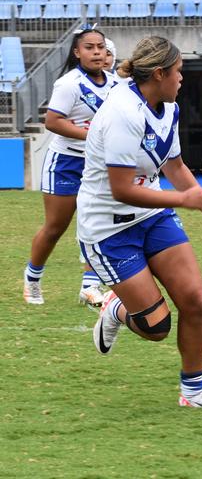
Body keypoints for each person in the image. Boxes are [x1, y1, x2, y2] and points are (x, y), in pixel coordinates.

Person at [79, 36, 202, 410]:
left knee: (196, 301)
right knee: (156, 328)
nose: (182, 79)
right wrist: (182, 200)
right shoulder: (123, 111)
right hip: (109, 229)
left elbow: (175, 166)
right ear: (159, 73)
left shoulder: (169, 108)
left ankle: (194, 393)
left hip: (153, 216)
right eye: (179, 71)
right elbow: (121, 189)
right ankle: (116, 309)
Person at [23, 25, 116, 307]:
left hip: (98, 164)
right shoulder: (69, 83)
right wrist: (92, 135)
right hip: (65, 162)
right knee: (55, 227)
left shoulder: (115, 84)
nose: (97, 52)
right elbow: (52, 122)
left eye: (101, 47)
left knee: (98, 224)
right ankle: (32, 279)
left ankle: (89, 287)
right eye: (89, 47)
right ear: (77, 52)